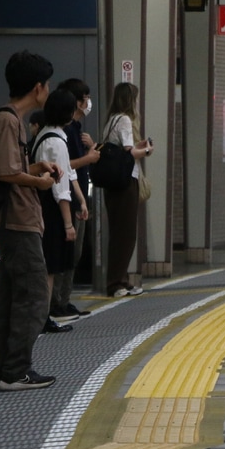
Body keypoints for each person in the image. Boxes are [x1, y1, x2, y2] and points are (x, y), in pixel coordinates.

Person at [0, 50, 63, 391]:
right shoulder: (6, 121)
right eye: (46, 84)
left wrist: (35, 169)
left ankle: (2, 371)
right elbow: (4, 172)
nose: (48, 89)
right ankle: (15, 370)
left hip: (17, 219)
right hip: (17, 221)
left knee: (13, 295)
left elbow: (12, 169)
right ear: (37, 88)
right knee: (32, 296)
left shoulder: (10, 121)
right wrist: (40, 182)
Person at [31, 88, 78, 334]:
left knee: (47, 265)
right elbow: (61, 188)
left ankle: (42, 316)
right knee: (50, 266)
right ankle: (43, 317)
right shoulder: (56, 142)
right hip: (50, 207)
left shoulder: (44, 134)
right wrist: (68, 224)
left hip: (40, 204)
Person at [52, 77, 99, 321]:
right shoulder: (64, 132)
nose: (89, 102)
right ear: (77, 103)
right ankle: (56, 302)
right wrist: (89, 158)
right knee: (65, 252)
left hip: (77, 195)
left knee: (74, 253)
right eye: (86, 98)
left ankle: (64, 300)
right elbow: (65, 167)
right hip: (66, 198)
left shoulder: (77, 131)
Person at [101, 82, 152, 297]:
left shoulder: (110, 120)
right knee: (126, 234)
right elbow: (129, 154)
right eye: (136, 98)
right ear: (130, 100)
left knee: (119, 233)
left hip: (113, 184)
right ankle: (115, 283)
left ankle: (121, 279)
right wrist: (147, 150)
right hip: (124, 183)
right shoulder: (124, 120)